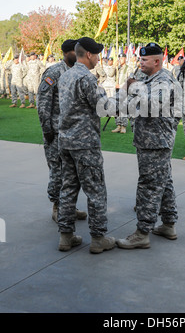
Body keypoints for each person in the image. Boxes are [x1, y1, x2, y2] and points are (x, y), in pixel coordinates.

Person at [116, 43, 181, 249]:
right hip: (149, 139)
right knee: (164, 181)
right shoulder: (147, 78)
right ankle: (168, 224)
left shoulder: (164, 79)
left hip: (156, 141)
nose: (140, 63)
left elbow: (153, 105)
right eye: (140, 59)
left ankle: (142, 232)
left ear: (157, 61)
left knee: (149, 185)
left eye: (144, 60)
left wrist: (134, 87)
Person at [57, 37, 116, 254]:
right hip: (85, 144)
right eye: (97, 54)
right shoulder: (87, 79)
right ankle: (98, 238)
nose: (99, 58)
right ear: (89, 55)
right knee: (95, 190)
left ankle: (66, 236)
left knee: (68, 189)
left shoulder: (65, 76)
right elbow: (105, 108)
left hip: (66, 142)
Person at [37, 39, 87, 223]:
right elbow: (43, 104)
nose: (78, 54)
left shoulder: (77, 73)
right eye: (75, 52)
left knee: (73, 173)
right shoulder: (53, 72)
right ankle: (58, 207)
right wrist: (47, 130)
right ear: (66, 53)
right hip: (56, 133)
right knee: (58, 172)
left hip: (73, 133)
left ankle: (69, 206)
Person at [111, 53, 133, 134]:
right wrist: (114, 66)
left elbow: (130, 80)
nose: (120, 60)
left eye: (121, 58)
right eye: (119, 58)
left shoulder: (128, 68)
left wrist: (121, 85)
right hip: (116, 90)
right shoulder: (117, 68)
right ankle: (118, 125)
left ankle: (123, 126)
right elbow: (110, 74)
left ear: (125, 58)